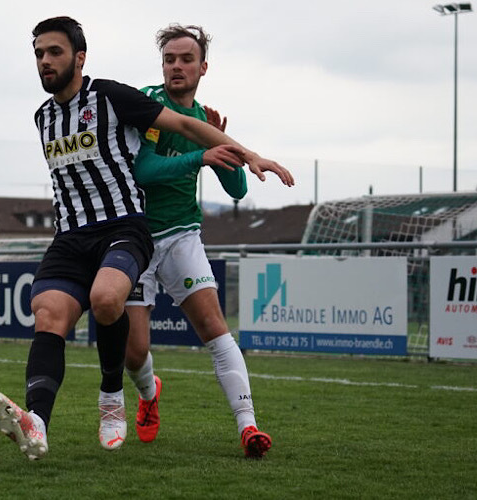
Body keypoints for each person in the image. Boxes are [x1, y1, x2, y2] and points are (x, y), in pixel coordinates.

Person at [0, 16, 293, 461]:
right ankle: (40, 422)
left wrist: (245, 154)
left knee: (128, 305)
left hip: (142, 230)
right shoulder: (58, 116)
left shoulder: (122, 100)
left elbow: (214, 161)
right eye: (39, 54)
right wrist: (204, 156)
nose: (45, 61)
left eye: (54, 52)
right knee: (57, 316)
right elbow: (145, 164)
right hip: (80, 235)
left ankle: (220, 420)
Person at [123, 24, 285, 459]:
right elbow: (143, 171)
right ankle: (148, 393)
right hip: (136, 238)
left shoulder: (204, 120)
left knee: (215, 328)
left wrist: (222, 154)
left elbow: (237, 191)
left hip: (181, 237)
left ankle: (249, 427)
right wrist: (202, 153)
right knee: (135, 351)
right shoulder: (148, 105)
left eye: (186, 59)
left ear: (203, 68)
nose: (177, 66)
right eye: (170, 60)